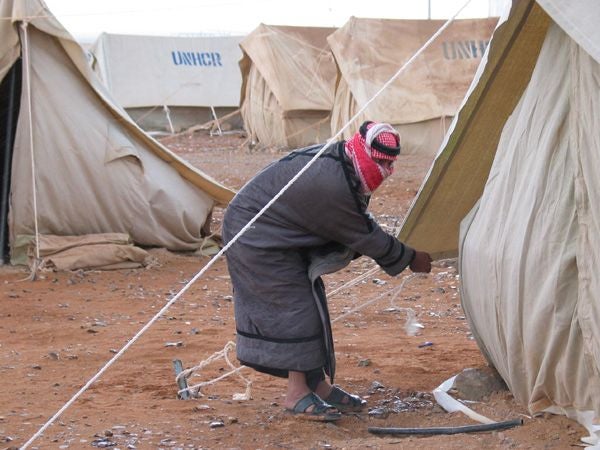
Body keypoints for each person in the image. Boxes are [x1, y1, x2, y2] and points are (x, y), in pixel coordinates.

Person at [222, 121, 432, 421]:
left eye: (391, 163)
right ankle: (296, 394)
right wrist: (409, 257)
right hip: (253, 237)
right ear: (366, 154)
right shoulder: (332, 182)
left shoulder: (344, 164)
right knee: (297, 310)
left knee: (312, 305)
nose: (388, 171)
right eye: (383, 163)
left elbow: (357, 223)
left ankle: (317, 385)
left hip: (271, 232)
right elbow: (362, 233)